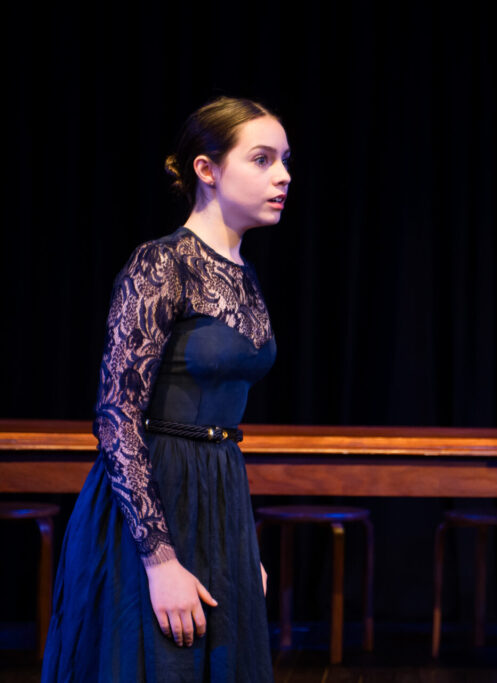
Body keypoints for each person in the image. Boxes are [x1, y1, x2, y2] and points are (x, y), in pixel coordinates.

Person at [43, 96, 290, 681]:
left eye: (285, 160)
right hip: (152, 505)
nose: (282, 175)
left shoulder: (242, 274)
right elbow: (116, 417)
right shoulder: (159, 265)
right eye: (261, 159)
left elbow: (220, 425)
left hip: (220, 492)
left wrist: (241, 547)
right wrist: (159, 560)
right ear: (207, 169)